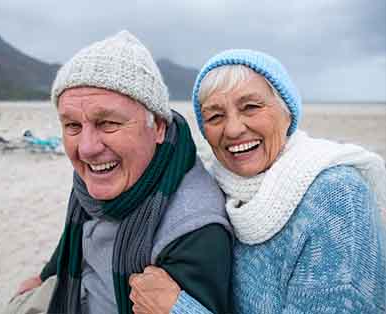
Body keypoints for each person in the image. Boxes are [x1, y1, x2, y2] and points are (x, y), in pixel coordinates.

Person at [129, 49, 386, 313]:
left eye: (250, 107)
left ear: (288, 113)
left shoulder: (336, 195)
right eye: (215, 116)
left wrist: (176, 309)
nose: (233, 129)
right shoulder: (217, 191)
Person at [4, 31, 233, 314]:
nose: (86, 148)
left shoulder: (194, 230)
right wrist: (44, 276)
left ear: (158, 127)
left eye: (108, 123)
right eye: (72, 126)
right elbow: (75, 235)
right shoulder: (106, 176)